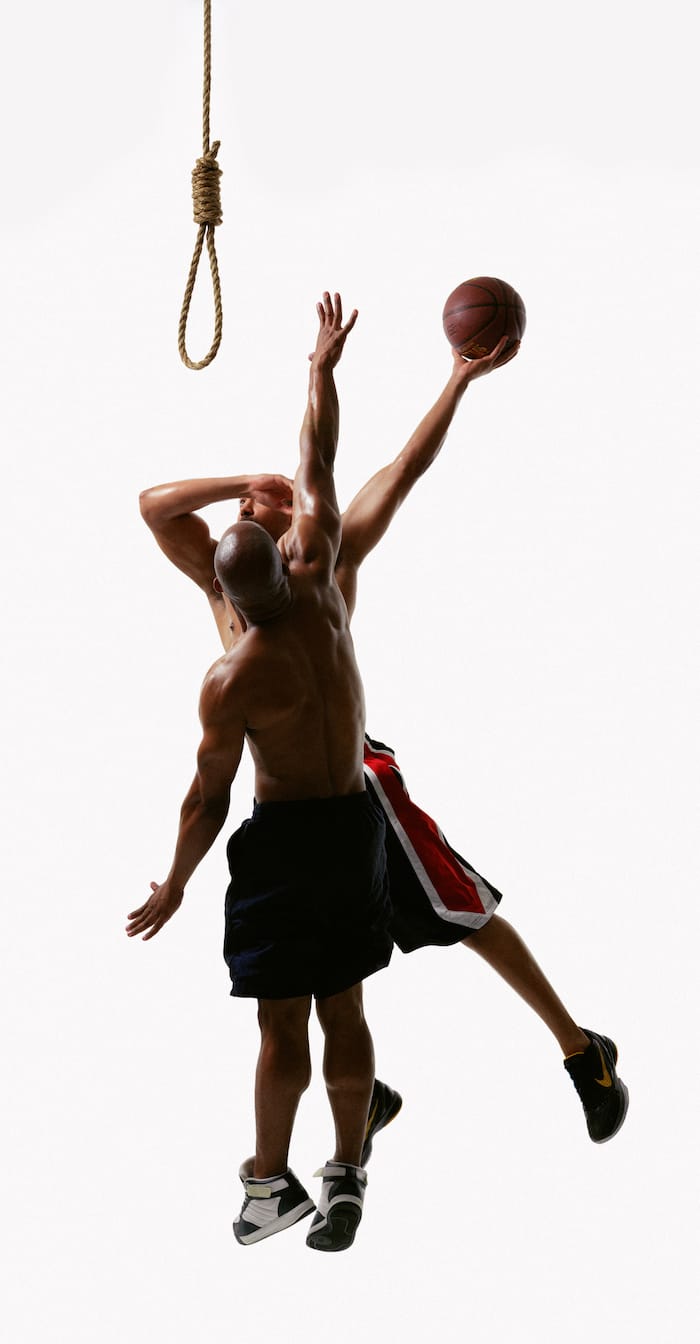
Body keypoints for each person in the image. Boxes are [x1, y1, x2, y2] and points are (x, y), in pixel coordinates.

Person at [139, 309, 629, 1151]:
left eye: (275, 496)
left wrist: (457, 380)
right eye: (252, 502)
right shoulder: (222, 583)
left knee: (458, 911)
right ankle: (361, 1100)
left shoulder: (327, 559)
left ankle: (582, 1050)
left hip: (355, 782)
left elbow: (401, 468)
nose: (262, 501)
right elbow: (154, 506)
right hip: (290, 812)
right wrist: (243, 478)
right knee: (314, 973)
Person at [128, 293, 395, 1254]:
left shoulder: (236, 667)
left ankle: (274, 1183)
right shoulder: (309, 572)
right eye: (250, 505)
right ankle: (344, 1170)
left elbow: (207, 795)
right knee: (341, 1007)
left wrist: (177, 882)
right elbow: (305, 462)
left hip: (295, 828)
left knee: (293, 1022)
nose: (254, 501)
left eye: (258, 502)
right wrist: (314, 380)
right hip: (338, 820)